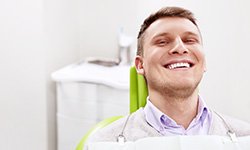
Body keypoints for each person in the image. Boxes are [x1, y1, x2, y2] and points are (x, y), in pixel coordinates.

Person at [86, 6, 250, 147]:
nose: (180, 47)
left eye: (190, 40)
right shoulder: (104, 143)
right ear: (140, 65)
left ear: (204, 62)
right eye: (163, 42)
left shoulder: (245, 137)